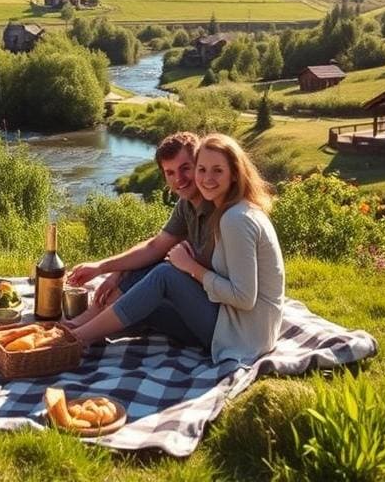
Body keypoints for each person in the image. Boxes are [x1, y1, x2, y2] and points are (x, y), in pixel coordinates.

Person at [69, 133, 285, 363]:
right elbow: (155, 246)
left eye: (217, 171)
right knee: (143, 299)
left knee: (164, 273)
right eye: (202, 170)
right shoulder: (208, 206)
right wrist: (112, 271)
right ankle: (81, 329)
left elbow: (244, 298)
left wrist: (190, 266)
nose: (206, 178)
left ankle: (75, 339)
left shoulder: (234, 218)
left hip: (242, 335)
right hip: (228, 319)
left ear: (234, 173)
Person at [67, 132, 214, 325]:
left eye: (185, 168)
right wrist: (106, 269)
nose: (179, 179)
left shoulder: (219, 208)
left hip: (217, 317)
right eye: (170, 173)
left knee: (160, 272)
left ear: (200, 166)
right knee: (141, 275)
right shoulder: (186, 205)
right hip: (196, 299)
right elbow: (154, 247)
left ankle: (83, 329)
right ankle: (91, 319)